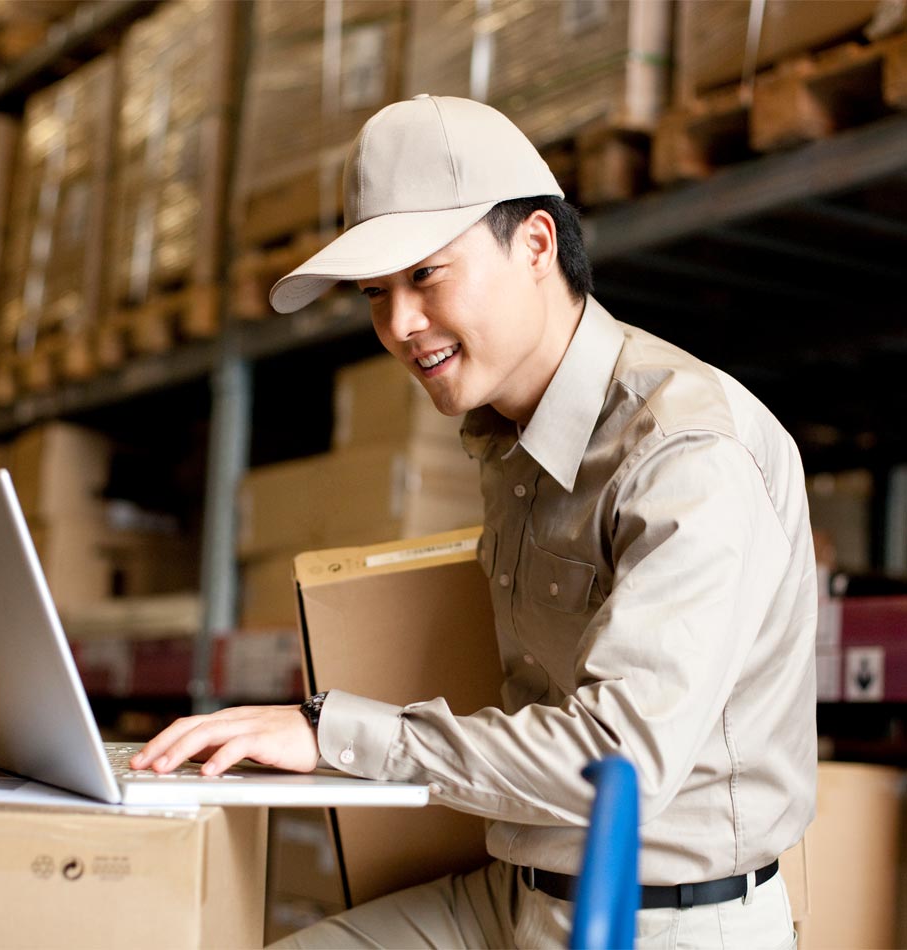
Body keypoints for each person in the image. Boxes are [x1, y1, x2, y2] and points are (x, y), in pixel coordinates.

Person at [131, 95, 817, 949]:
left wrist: (331, 733)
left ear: (536, 244)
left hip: (663, 920)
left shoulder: (685, 449)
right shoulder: (509, 434)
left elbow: (617, 765)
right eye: (377, 293)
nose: (399, 325)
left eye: (426, 275)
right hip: (512, 896)